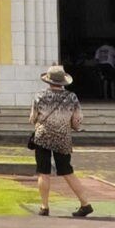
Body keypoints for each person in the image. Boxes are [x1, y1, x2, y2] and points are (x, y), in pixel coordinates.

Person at [29, 64, 93, 218]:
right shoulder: (71, 97)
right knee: (67, 171)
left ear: (48, 81)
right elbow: (77, 120)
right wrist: (69, 125)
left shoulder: (40, 96)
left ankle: (44, 206)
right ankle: (85, 203)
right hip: (63, 138)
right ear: (63, 81)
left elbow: (33, 118)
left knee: (43, 172)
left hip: (43, 137)